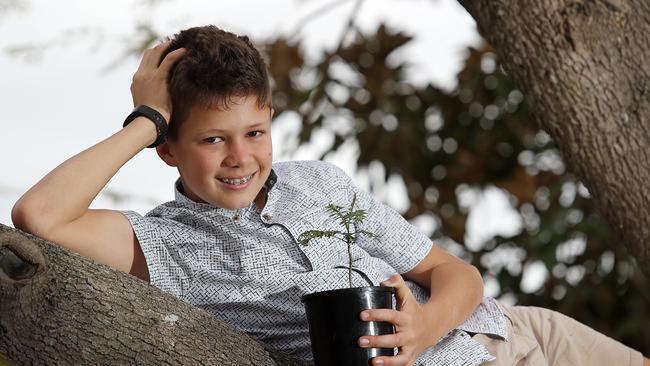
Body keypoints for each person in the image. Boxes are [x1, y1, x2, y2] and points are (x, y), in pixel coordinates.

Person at [11, 25, 648, 366]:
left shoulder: (321, 182)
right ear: (170, 149)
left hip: (517, 335)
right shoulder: (167, 244)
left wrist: (426, 324)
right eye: (212, 140)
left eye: (255, 132)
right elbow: (38, 215)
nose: (241, 158)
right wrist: (147, 117)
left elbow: (451, 271)